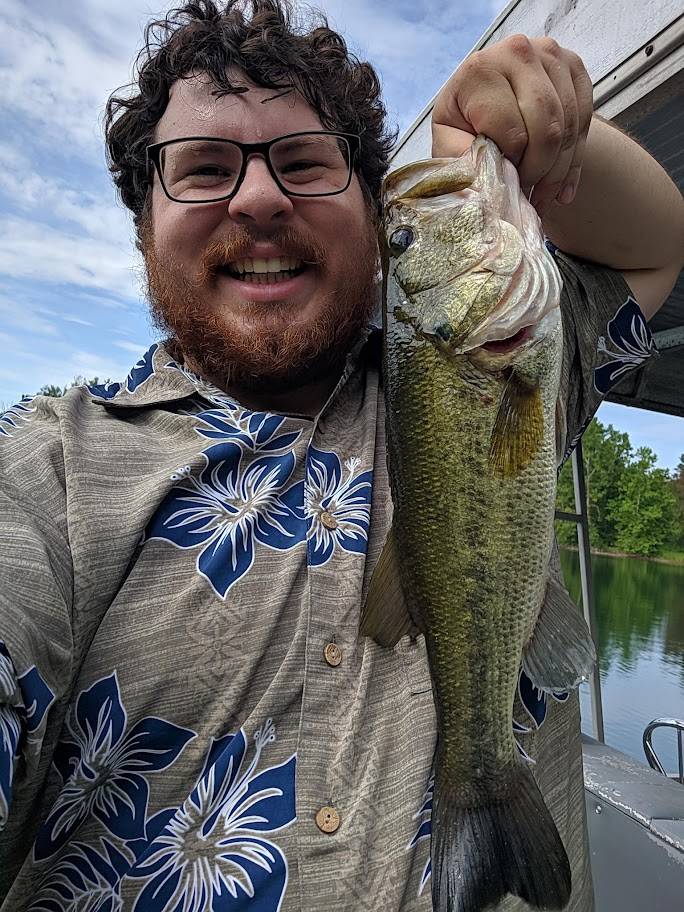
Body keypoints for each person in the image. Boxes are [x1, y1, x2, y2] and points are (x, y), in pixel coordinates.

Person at [0, 1, 682, 909]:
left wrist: (521, 129)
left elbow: (657, 241)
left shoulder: (482, 358)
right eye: (203, 169)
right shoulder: (46, 472)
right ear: (142, 226)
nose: (258, 197)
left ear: (369, 209)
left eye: (305, 163)